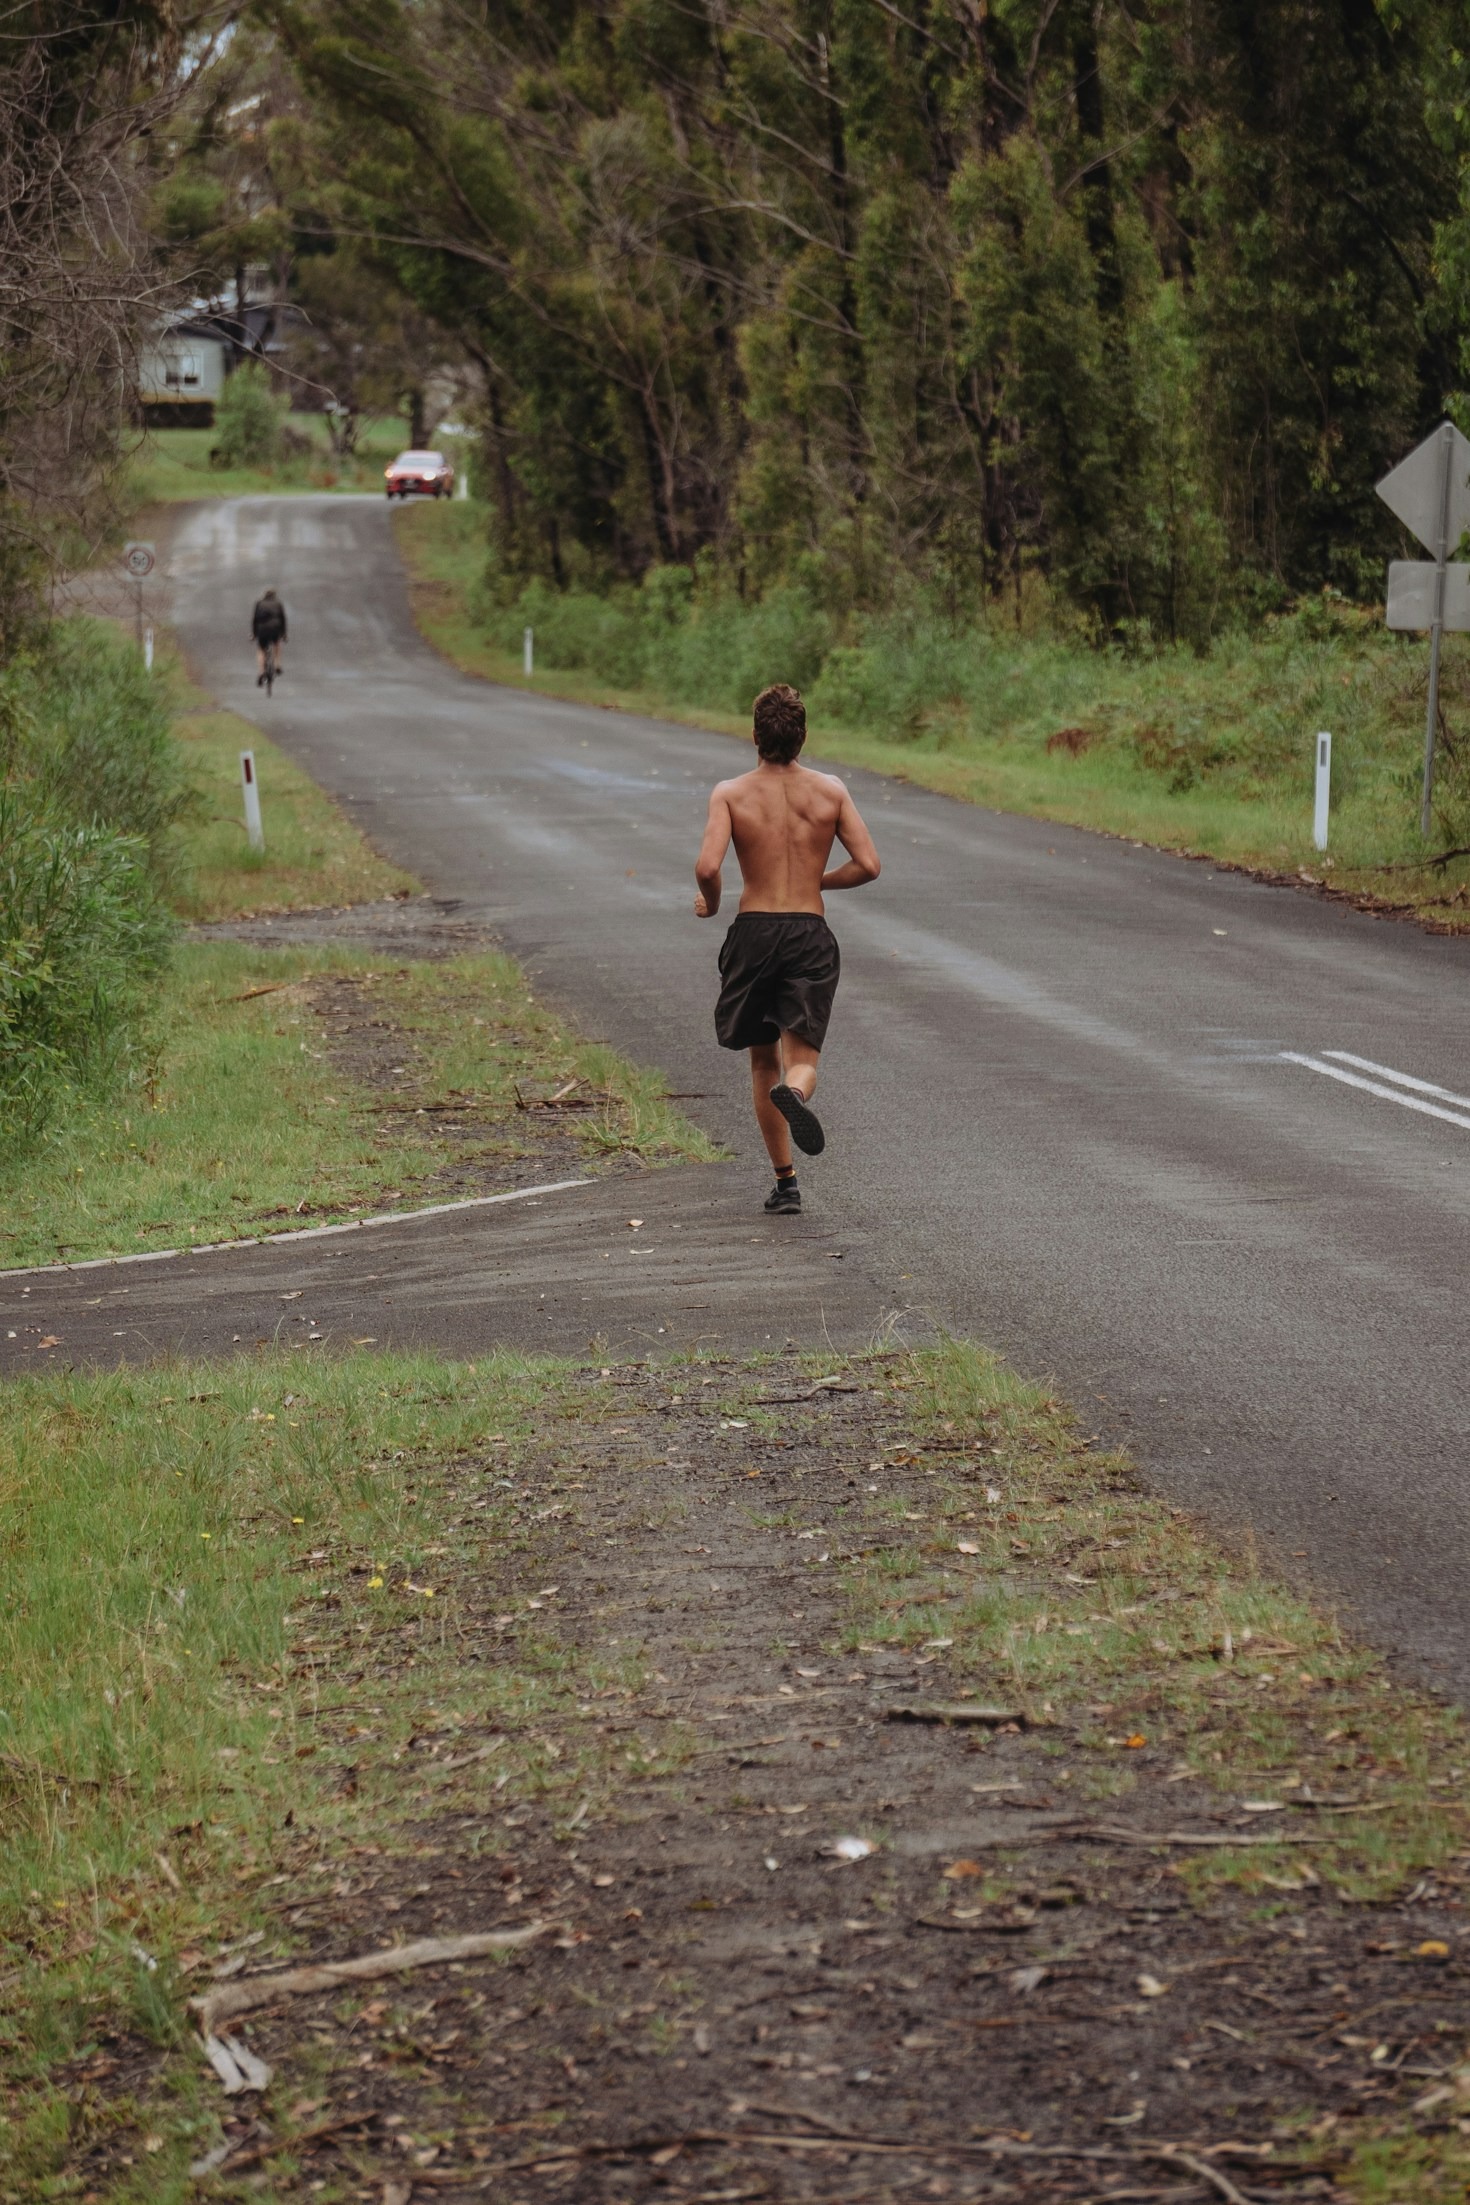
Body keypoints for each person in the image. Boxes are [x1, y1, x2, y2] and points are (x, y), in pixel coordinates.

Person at [694, 682, 880, 1214]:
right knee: (802, 1061)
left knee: (762, 1062)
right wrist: (816, 881)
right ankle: (796, 1094)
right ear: (803, 737)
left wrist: (711, 903)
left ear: (755, 736)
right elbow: (869, 865)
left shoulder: (730, 793)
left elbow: (707, 867)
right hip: (808, 932)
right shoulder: (831, 791)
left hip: (754, 932)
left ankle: (786, 1184)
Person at [252, 589, 287, 684]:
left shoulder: (259, 603)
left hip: (262, 630)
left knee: (261, 650)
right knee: (277, 644)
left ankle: (261, 672)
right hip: (275, 628)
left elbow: (255, 619)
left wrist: (254, 634)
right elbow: (283, 619)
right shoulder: (278, 603)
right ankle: (277, 665)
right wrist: (284, 634)